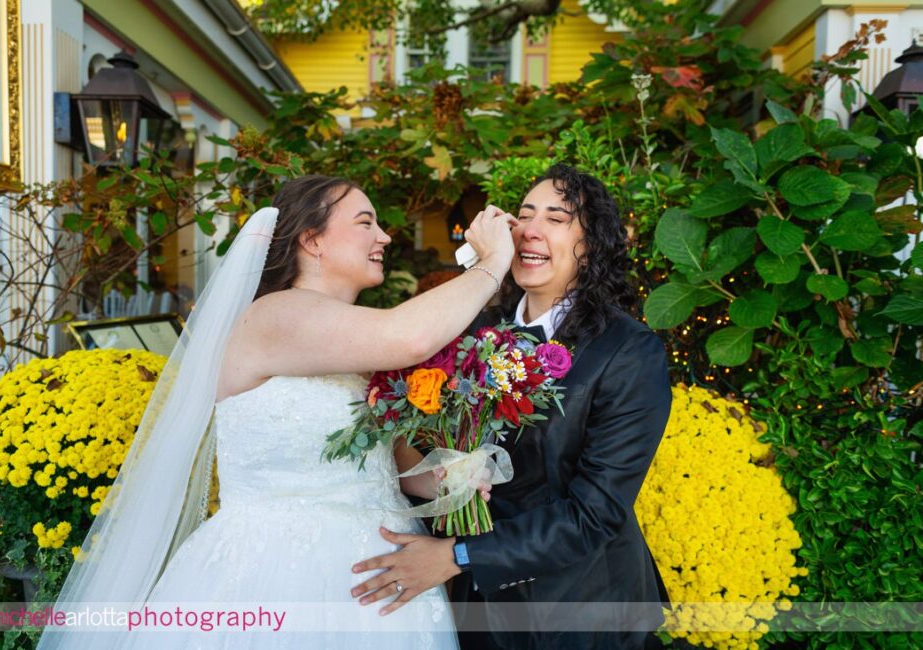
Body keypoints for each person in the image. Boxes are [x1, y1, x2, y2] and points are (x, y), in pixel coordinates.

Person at [37, 175, 514, 649]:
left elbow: (393, 469)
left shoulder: (351, 343)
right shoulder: (273, 316)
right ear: (312, 240)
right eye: (365, 223)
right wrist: (492, 262)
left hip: (381, 575)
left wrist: (454, 476)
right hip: (277, 572)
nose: (384, 237)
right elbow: (409, 337)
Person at [350, 163, 672, 649]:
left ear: (593, 245)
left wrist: (457, 555)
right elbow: (432, 454)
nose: (532, 229)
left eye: (557, 218)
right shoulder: (471, 334)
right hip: (476, 611)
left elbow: (596, 511)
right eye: (524, 214)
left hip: (581, 610)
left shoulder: (628, 352)